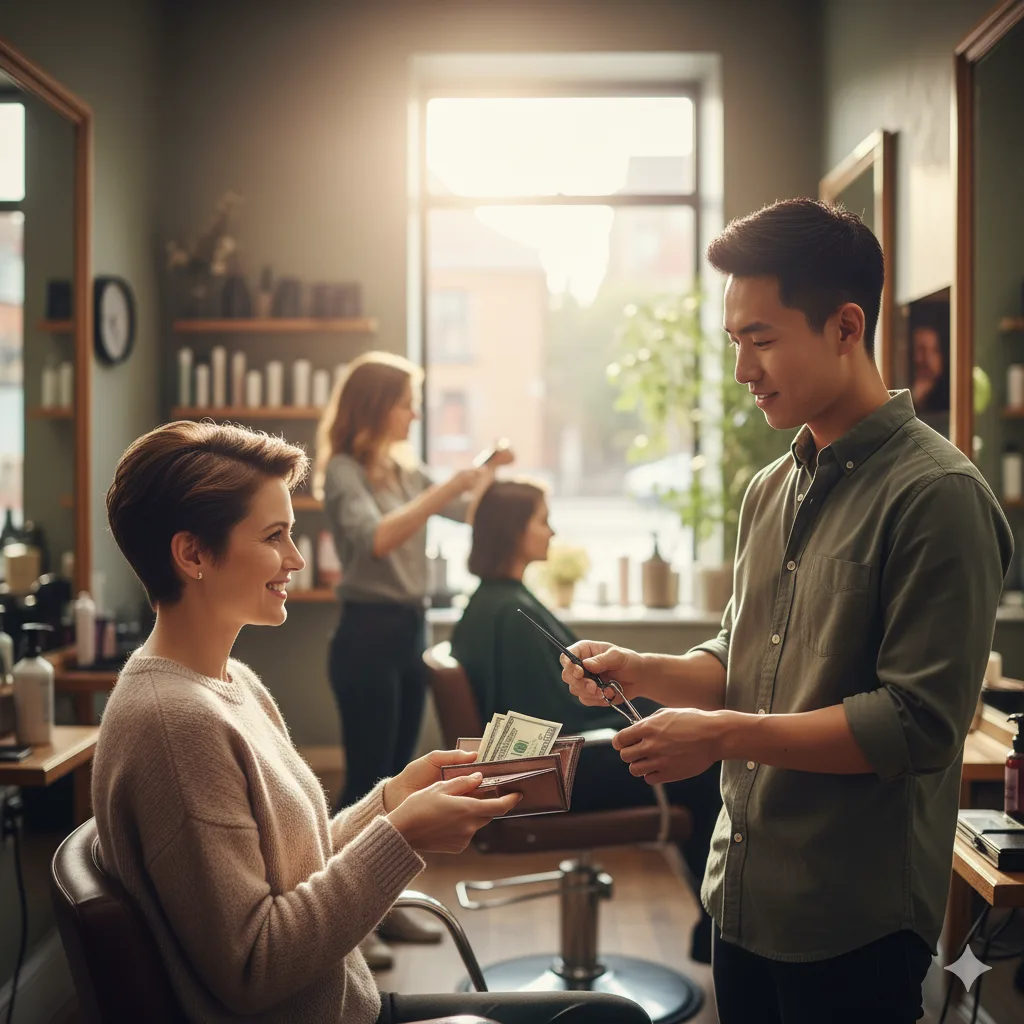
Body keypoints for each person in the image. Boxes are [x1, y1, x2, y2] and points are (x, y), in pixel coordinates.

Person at [560, 199, 1013, 1024]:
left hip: (852, 918)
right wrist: (644, 670)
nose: (741, 370)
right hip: (743, 894)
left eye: (761, 339)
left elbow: (915, 725)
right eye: (735, 341)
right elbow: (748, 658)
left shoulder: (938, 496)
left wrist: (724, 733)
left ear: (846, 326)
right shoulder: (770, 489)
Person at [94, 419, 649, 1024]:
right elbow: (254, 969)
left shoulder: (231, 684)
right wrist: (402, 835)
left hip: (347, 1005)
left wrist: (392, 799)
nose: (297, 558)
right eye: (275, 536)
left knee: (607, 1014)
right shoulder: (177, 726)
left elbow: (293, 872)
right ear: (193, 554)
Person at [450, 478, 721, 963]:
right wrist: (655, 719)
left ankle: (715, 930)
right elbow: (547, 718)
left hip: (547, 765)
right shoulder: (510, 612)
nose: (551, 530)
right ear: (513, 530)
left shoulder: (494, 602)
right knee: (706, 769)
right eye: (541, 519)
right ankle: (721, 937)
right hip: (551, 773)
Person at [314, 351, 512, 959]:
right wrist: (452, 483)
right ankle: (349, 923)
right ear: (377, 407)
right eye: (406, 402)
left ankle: (384, 905)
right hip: (366, 637)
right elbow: (378, 538)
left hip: (407, 634)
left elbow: (458, 509)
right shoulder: (345, 470)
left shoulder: (402, 469)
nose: (415, 412)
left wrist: (484, 474)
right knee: (367, 776)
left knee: (395, 783)